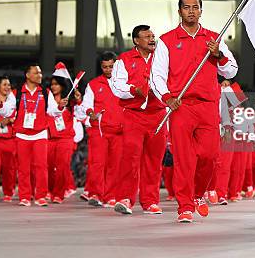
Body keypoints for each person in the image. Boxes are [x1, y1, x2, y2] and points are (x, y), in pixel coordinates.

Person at [150, 0, 238, 223]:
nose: (191, 11)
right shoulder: (167, 40)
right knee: (184, 159)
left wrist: (218, 55)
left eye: (195, 7)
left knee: (209, 156)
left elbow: (231, 71)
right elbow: (157, 75)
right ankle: (185, 206)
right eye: (186, 7)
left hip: (208, 106)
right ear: (179, 11)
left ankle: (199, 194)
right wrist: (167, 98)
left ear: (201, 10)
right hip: (181, 107)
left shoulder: (213, 38)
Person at [110, 25, 167, 215]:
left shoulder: (162, 58)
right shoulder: (124, 60)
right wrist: (135, 90)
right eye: (147, 36)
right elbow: (117, 85)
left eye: (153, 36)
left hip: (157, 114)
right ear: (136, 40)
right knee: (130, 157)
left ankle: (150, 201)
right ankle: (125, 198)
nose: (152, 39)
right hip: (134, 115)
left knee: (154, 160)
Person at [0, 64, 64, 207]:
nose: (40, 75)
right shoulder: (17, 93)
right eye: (36, 73)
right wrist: (0, 106)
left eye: (40, 73)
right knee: (23, 168)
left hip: (40, 133)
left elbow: (53, 111)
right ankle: (25, 196)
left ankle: (40, 196)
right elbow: (7, 112)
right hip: (22, 134)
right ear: (27, 75)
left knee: (41, 167)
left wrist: (60, 107)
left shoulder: (45, 92)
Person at [77, 52, 124, 207]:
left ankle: (110, 196)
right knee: (98, 163)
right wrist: (91, 114)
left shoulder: (124, 82)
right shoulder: (94, 84)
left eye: (111, 66)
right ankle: (97, 194)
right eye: (105, 67)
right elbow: (86, 105)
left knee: (115, 165)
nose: (108, 69)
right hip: (99, 130)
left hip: (119, 130)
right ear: (101, 67)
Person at [47, 67, 83, 203]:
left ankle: (58, 194)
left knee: (62, 167)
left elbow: (80, 115)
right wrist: (59, 106)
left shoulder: (71, 100)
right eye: (52, 84)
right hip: (50, 137)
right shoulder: (48, 98)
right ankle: (50, 191)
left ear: (62, 85)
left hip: (65, 138)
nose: (53, 86)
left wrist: (79, 101)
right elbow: (50, 112)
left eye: (56, 84)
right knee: (49, 166)